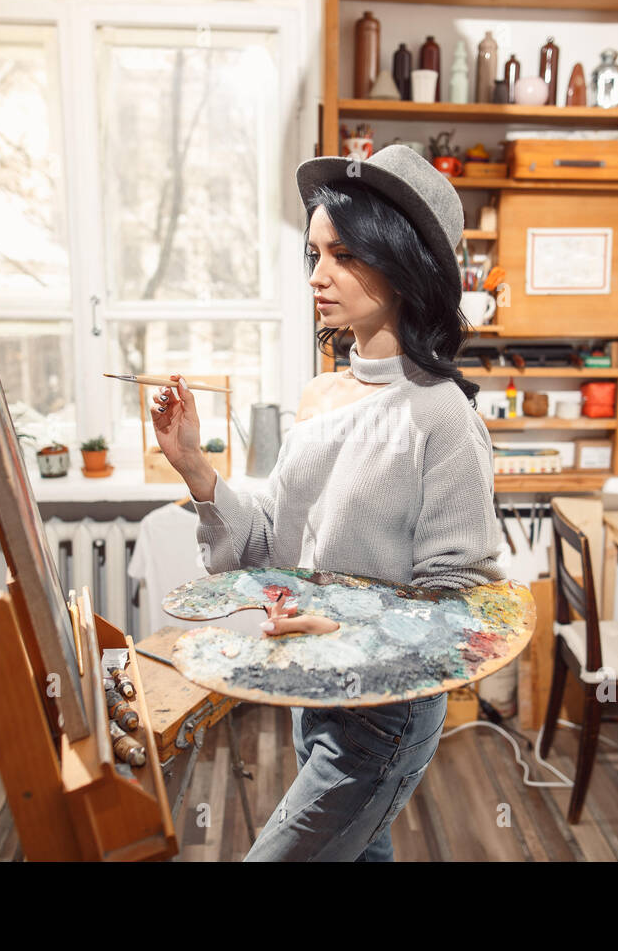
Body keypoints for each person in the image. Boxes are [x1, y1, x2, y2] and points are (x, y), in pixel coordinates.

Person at [150, 144, 505, 861]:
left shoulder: (441, 418)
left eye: (343, 254)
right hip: (315, 696)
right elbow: (270, 552)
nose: (318, 277)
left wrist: (336, 623)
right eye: (314, 253)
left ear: (403, 262)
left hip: (385, 717)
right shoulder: (319, 396)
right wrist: (195, 467)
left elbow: (459, 611)